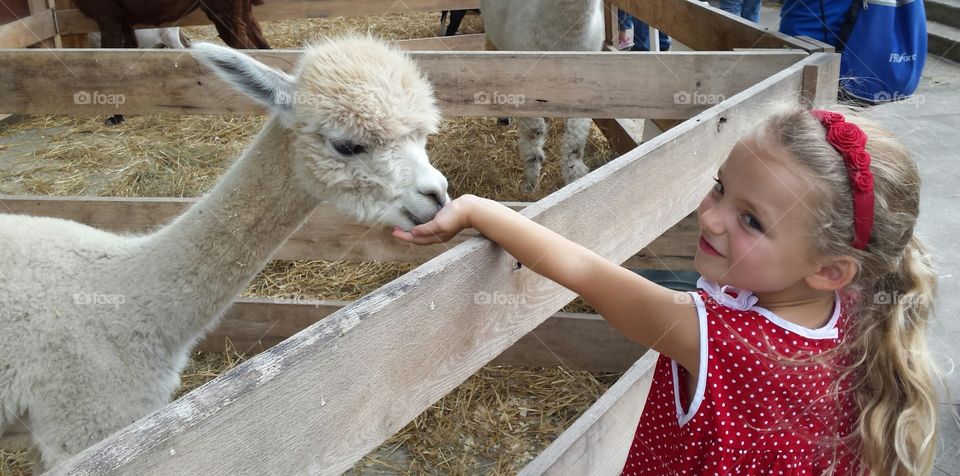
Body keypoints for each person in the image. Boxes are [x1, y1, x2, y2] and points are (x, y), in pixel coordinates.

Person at [394, 105, 939, 474]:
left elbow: (582, 271)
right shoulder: (856, 314)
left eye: (751, 220)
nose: (712, 216)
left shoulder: (715, 337)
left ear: (829, 269)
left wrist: (478, 209)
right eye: (721, 187)